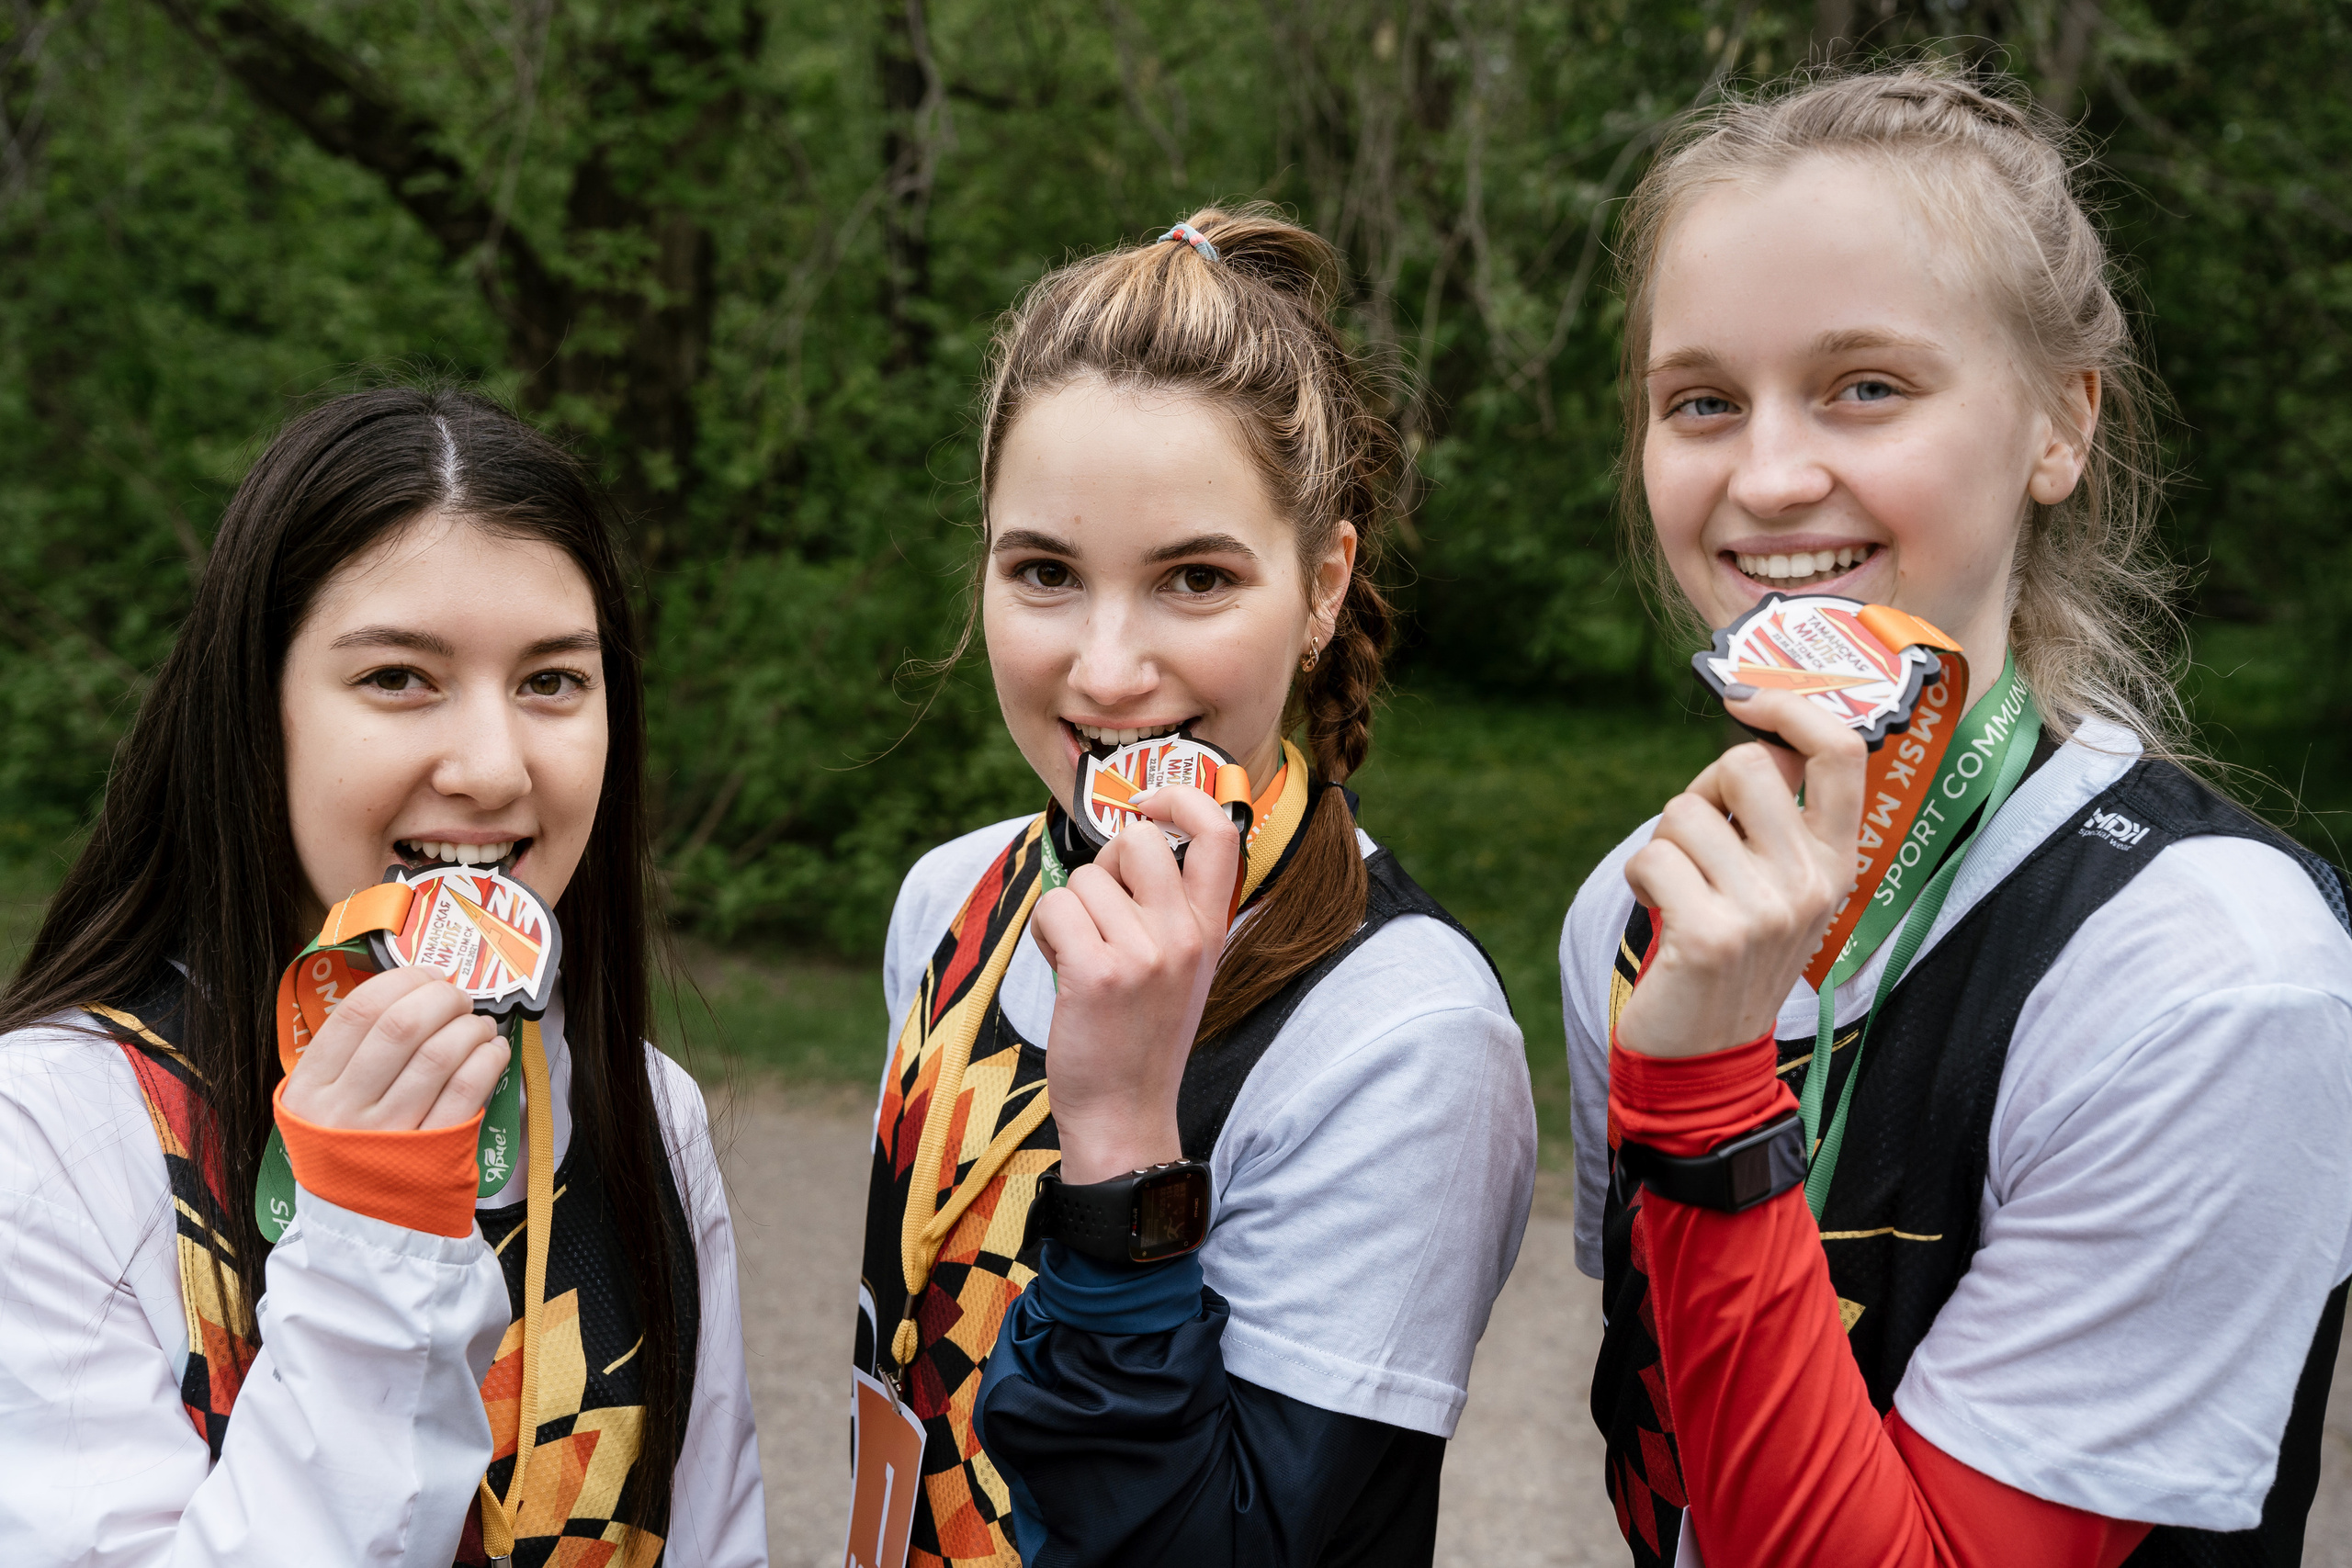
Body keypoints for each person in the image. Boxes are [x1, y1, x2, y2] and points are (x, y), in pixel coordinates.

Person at [1559, 67, 2352, 1568]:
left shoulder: (2213, 973)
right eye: (1702, 401)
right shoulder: (1631, 908)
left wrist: (1711, 1102)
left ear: (2060, 425)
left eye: (1868, 385)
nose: (1771, 475)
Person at [853, 206, 1537, 1566]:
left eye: (1196, 578)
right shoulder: (952, 897)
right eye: (1044, 571)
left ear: (1324, 582)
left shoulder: (1405, 1037)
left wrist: (1119, 1141)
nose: (1107, 671)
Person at [0, 388, 767, 1565]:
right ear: (257, 716)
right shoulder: (53, 1133)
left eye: (553, 681)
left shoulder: (645, 1113)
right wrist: (372, 1244)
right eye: (399, 678)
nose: (493, 768)